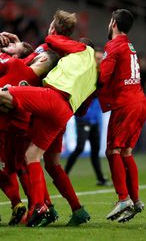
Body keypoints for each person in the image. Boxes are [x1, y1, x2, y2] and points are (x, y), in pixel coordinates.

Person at [0, 10, 95, 227]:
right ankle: (55, 207)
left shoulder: (45, 52)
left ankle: (27, 207)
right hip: (49, 114)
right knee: (36, 161)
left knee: (6, 159)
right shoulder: (79, 66)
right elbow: (83, 107)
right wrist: (18, 47)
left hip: (29, 108)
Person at [98, 9, 146, 222]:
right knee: (126, 152)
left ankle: (123, 198)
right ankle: (136, 201)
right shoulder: (130, 45)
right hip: (140, 102)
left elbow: (103, 77)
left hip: (126, 104)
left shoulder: (114, 45)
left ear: (114, 23)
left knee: (113, 151)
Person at [65, 46, 109, 186]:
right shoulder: (87, 75)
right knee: (79, 148)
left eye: (101, 59)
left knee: (95, 150)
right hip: (83, 117)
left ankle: (100, 178)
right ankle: (63, 175)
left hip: (95, 118)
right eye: (97, 58)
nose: (99, 61)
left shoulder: (102, 75)